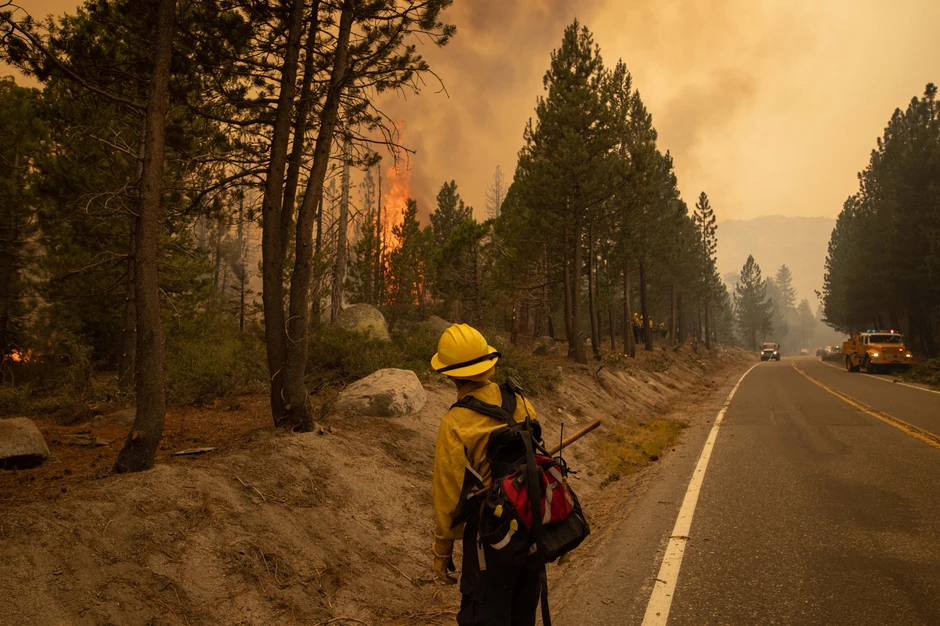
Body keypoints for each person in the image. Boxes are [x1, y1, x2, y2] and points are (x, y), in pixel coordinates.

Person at [431, 323, 542, 626]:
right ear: (489, 364)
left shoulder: (455, 422)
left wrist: (443, 551)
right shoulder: (521, 401)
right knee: (523, 616)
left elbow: (449, 495)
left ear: (451, 374)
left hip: (489, 538)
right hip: (529, 528)